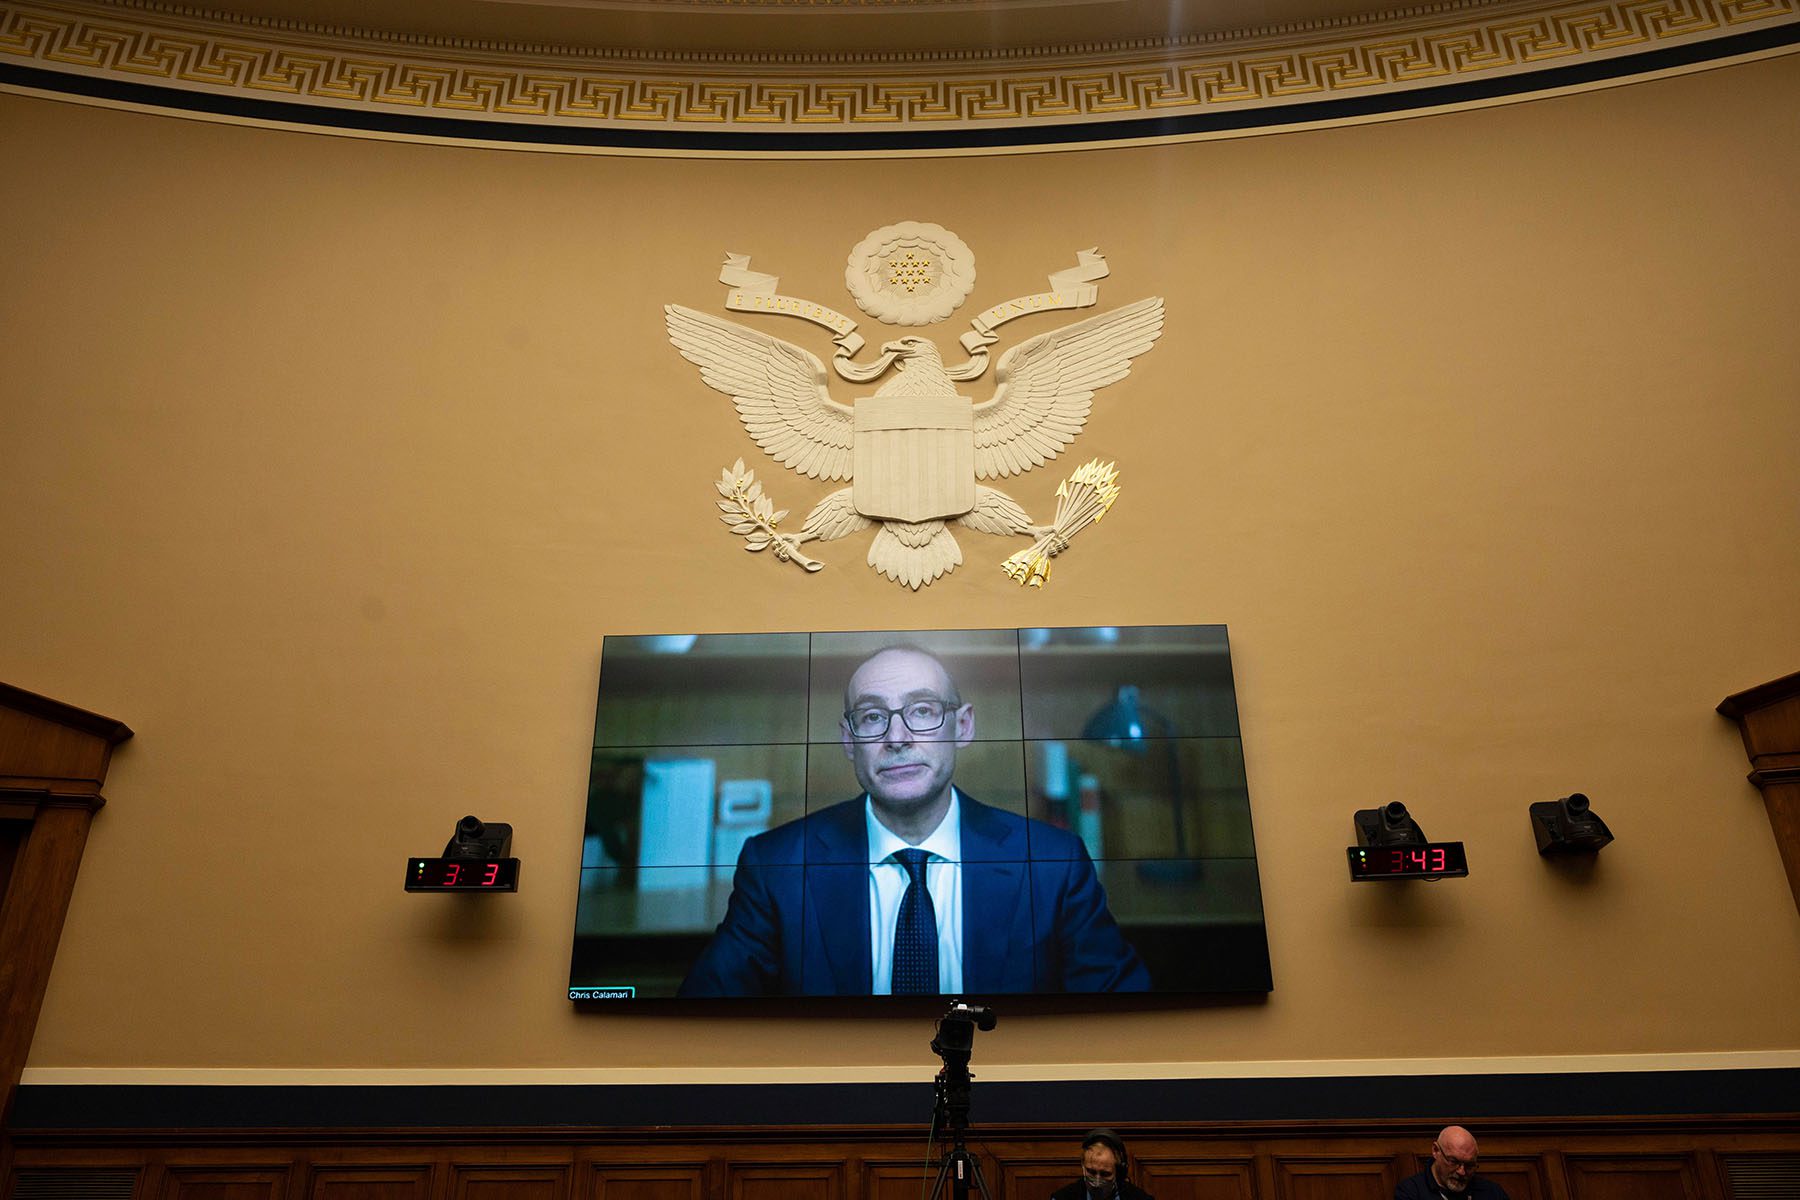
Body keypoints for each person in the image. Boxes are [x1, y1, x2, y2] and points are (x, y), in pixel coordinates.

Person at [678, 644, 1150, 996]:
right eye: (871, 717)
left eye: (922, 711)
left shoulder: (1054, 863)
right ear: (848, 740)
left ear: (962, 727)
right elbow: (701, 1020)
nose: (898, 737)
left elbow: (1125, 1022)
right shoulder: (775, 867)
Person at [1395, 1126, 1510, 1199]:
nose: (1461, 1172)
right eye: (1454, 1161)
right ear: (1436, 1151)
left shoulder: (1491, 1192)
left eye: (1469, 1165)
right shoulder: (1410, 1192)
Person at [1048, 1129, 1154, 1200]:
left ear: (1119, 1171)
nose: (1097, 1182)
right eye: (1091, 1172)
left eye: (1105, 1174)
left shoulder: (1139, 1198)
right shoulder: (1062, 1198)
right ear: (1083, 1166)